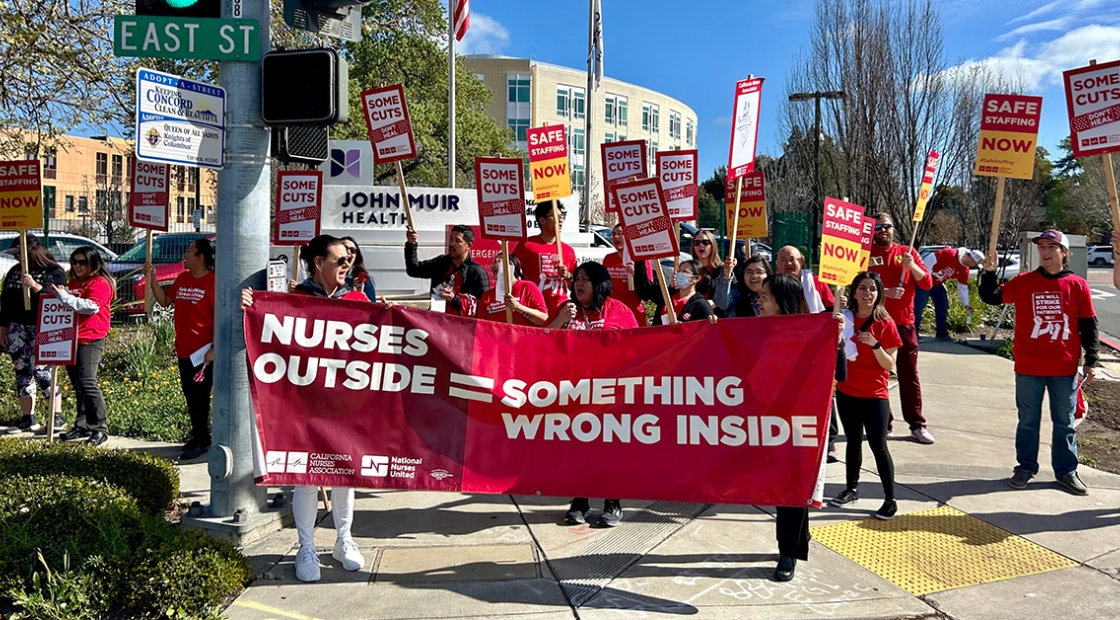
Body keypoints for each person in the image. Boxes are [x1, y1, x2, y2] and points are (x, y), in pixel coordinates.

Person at [240, 234, 366, 582]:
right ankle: (306, 547)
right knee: (307, 478)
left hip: (344, 404)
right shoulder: (294, 299)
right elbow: (267, 329)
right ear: (318, 263)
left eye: (349, 260)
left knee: (346, 474)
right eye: (340, 260)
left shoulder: (357, 298)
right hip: (305, 406)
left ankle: (344, 540)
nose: (347, 266)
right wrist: (253, 305)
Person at [979, 230, 1098, 496]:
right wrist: (988, 273)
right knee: (1028, 420)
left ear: (1064, 253)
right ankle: (1025, 466)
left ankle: (1067, 470)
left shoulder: (1077, 285)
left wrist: (1091, 358)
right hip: (1028, 366)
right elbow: (992, 297)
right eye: (1041, 246)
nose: (1044, 252)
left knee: (1064, 422)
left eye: (1051, 247)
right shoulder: (1024, 282)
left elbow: (1088, 323)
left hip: (1064, 367)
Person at [755, 273, 835, 581]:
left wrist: (833, 342)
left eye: (765, 296)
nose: (758, 301)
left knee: (790, 488)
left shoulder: (811, 332)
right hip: (763, 420)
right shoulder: (752, 330)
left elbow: (836, 371)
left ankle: (787, 551)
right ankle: (797, 538)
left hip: (798, 422)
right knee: (780, 487)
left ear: (783, 302)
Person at [549, 261, 637, 527]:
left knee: (610, 450)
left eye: (586, 279)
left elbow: (641, 348)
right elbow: (541, 344)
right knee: (578, 450)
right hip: (575, 395)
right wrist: (560, 321)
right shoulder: (568, 311)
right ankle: (580, 500)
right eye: (577, 278)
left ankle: (612, 501)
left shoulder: (619, 311)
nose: (579, 283)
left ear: (599, 283)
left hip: (611, 396)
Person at [829, 271, 902, 521]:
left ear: (878, 293)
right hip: (847, 392)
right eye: (862, 288)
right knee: (852, 442)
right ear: (854, 291)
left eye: (872, 288)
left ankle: (890, 499)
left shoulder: (885, 324)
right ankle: (851, 489)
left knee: (878, 446)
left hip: (874, 395)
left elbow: (890, 365)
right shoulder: (844, 319)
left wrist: (875, 345)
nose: (867, 293)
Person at [144, 239, 216, 461]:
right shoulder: (183, 279)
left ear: (201, 257)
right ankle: (198, 434)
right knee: (191, 396)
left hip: (204, 353)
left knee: (200, 397)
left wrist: (214, 348)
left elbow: (222, 318)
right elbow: (165, 301)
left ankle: (202, 439)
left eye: (189, 251)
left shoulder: (213, 282)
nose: (185, 255)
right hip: (184, 350)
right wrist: (152, 279)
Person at [867, 213, 934, 444]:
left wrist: (912, 265)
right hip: (876, 323)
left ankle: (917, 425)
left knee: (908, 375)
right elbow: (856, 285)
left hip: (904, 324)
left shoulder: (907, 252)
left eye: (886, 226)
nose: (882, 230)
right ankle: (885, 422)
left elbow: (927, 282)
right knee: (877, 377)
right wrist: (885, 291)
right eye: (877, 227)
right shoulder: (865, 255)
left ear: (894, 229)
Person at [50, 247, 113, 446]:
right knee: (78, 385)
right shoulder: (75, 282)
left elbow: (90, 306)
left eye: (82, 262)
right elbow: (64, 302)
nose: (77, 266)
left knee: (87, 382)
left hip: (91, 338)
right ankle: (83, 425)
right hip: (72, 338)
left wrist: (65, 297)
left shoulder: (100, 283)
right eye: (75, 262)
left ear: (93, 263)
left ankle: (99, 428)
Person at [2, 236, 65, 434]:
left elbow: (59, 300)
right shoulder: (14, 272)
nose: (16, 259)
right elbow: (6, 302)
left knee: (41, 370)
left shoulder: (54, 273)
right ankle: (27, 418)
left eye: (20, 254)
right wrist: (2, 326)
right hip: (17, 328)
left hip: (42, 327)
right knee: (22, 372)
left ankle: (56, 415)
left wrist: (36, 287)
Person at [405, 224, 489, 316]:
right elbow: (413, 269)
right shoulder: (441, 263)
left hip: (462, 326)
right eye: (451, 239)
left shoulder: (478, 273)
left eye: (458, 241)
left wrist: (455, 299)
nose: (452, 244)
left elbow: (483, 308)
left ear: (468, 245)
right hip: (437, 321)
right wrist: (411, 244)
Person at [513, 201, 577, 319]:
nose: (560, 220)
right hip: (533, 311)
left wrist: (568, 276)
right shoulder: (527, 245)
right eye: (555, 217)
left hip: (560, 312)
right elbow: (511, 275)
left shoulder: (568, 251)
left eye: (561, 216)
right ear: (542, 220)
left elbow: (576, 286)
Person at [913, 247, 983, 340]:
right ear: (971, 258)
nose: (975, 266)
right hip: (924, 282)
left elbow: (963, 287)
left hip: (937, 284)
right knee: (919, 306)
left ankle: (942, 333)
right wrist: (927, 279)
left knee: (943, 306)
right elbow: (929, 260)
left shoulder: (964, 270)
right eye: (975, 263)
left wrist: (966, 304)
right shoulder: (949, 253)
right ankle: (913, 334)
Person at [603, 223, 659, 326]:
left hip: (634, 313)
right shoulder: (608, 259)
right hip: (613, 314)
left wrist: (636, 275)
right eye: (613, 234)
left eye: (620, 233)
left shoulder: (640, 260)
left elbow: (647, 291)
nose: (615, 237)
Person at [476, 253, 549, 326]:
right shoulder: (487, 296)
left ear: (510, 264)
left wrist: (518, 307)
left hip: (522, 336)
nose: (492, 267)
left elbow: (543, 319)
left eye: (497, 261)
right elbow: (480, 326)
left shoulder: (528, 287)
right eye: (491, 264)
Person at [775, 245, 835, 310]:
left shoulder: (816, 282)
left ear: (801, 261)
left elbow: (831, 307)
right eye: (783, 260)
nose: (789, 263)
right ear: (777, 264)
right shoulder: (772, 286)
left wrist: (840, 304)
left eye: (792, 259)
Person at [341, 236, 376, 302]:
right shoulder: (327, 275)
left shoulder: (363, 279)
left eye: (353, 250)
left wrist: (359, 293)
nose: (348, 253)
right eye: (345, 249)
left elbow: (372, 307)